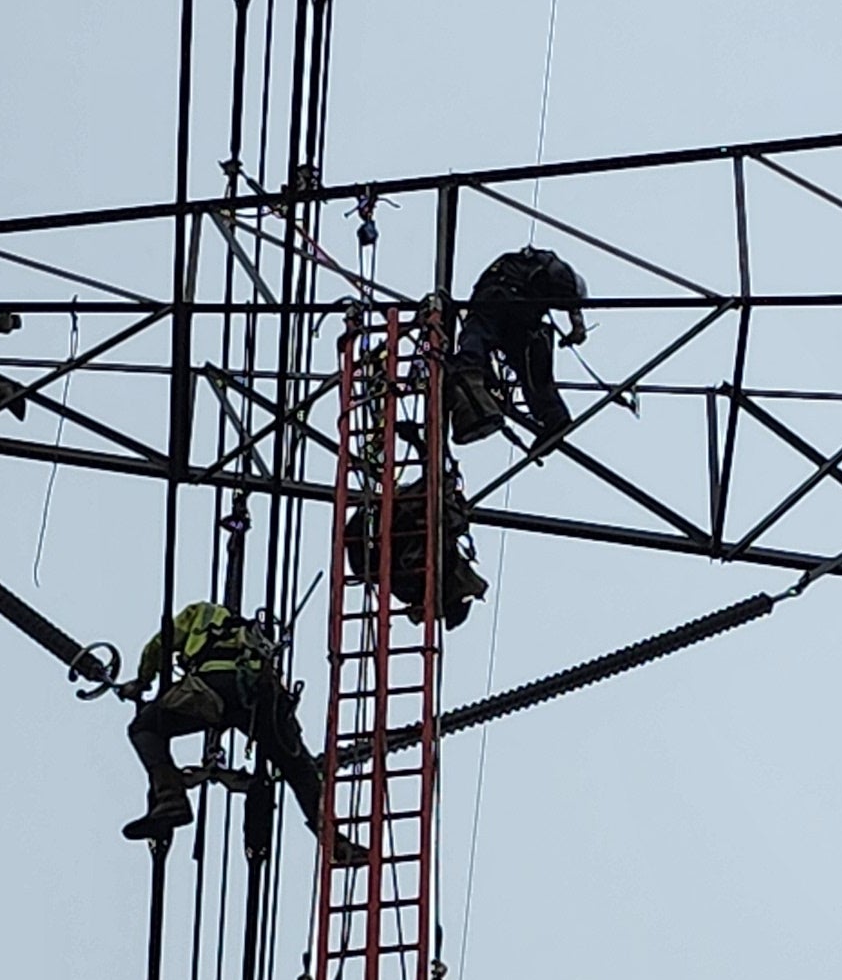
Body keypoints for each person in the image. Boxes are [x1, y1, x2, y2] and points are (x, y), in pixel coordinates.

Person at [123, 600, 360, 855]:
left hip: (213, 687)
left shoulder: (202, 613)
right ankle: (335, 842)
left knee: (144, 727)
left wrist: (141, 681)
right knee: (298, 769)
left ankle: (171, 798)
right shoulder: (252, 636)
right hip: (262, 696)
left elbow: (160, 644)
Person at [449, 245, 588, 455]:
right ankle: (553, 416)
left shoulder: (536, 265)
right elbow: (570, 298)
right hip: (506, 303)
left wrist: (577, 326)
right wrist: (577, 327)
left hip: (499, 302)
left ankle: (474, 385)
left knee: (480, 337)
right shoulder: (554, 269)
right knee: (529, 364)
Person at [344, 465, 487, 628]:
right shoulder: (435, 573)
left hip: (385, 530)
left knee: (447, 512)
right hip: (383, 531)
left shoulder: (434, 573)